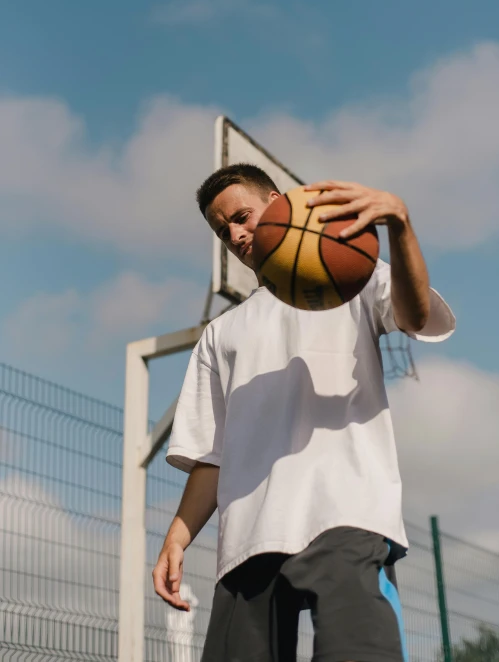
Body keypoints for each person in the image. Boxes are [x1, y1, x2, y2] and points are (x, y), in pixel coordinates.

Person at [153, 164, 455, 662]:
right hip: (247, 540)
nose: (235, 234)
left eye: (243, 216)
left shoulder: (350, 278)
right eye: (222, 229)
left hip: (346, 519)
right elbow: (212, 455)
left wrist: (399, 222)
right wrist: (177, 537)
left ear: (278, 203)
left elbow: (416, 314)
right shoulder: (221, 333)